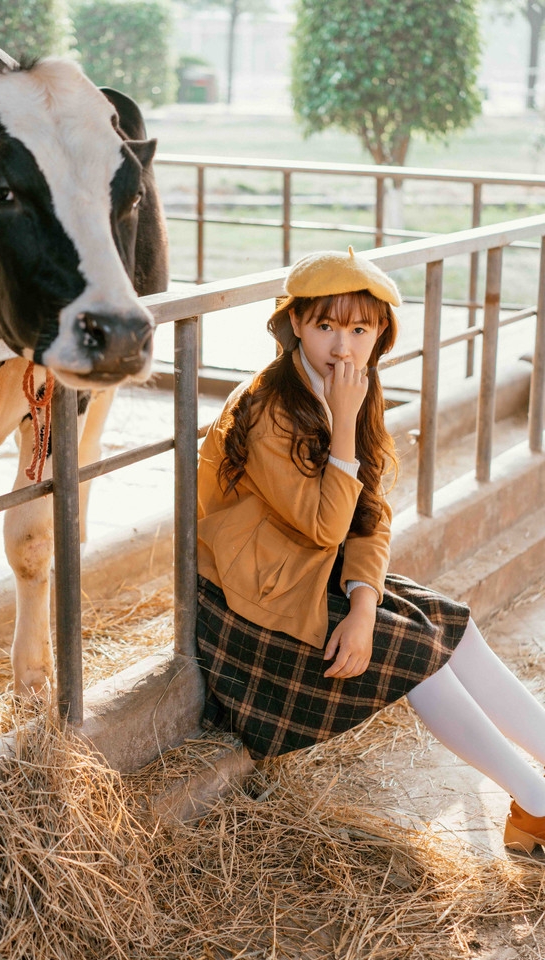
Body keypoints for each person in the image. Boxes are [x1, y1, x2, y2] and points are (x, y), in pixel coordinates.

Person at [196, 246, 545, 855]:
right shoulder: (271, 408)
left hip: (306, 572)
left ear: (380, 332)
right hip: (246, 595)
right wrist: (346, 418)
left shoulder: (353, 389)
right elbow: (329, 526)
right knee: (412, 651)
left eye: (359, 328)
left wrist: (362, 605)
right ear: (295, 324)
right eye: (325, 325)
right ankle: (536, 807)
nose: (342, 345)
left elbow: (371, 516)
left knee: (449, 624)